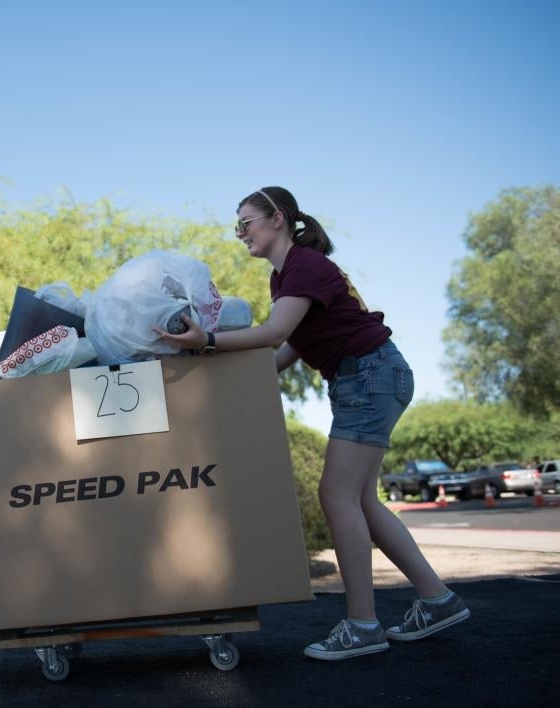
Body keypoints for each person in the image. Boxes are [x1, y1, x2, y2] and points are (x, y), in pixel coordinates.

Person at [154, 187, 470, 661]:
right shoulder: (287, 278)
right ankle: (437, 599)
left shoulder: (302, 266)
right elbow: (290, 349)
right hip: (369, 376)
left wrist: (207, 342)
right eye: (237, 226)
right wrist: (227, 378)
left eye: (246, 223)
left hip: (369, 376)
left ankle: (364, 625)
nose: (240, 233)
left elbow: (275, 333)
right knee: (360, 498)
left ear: (276, 218)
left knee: (337, 495)